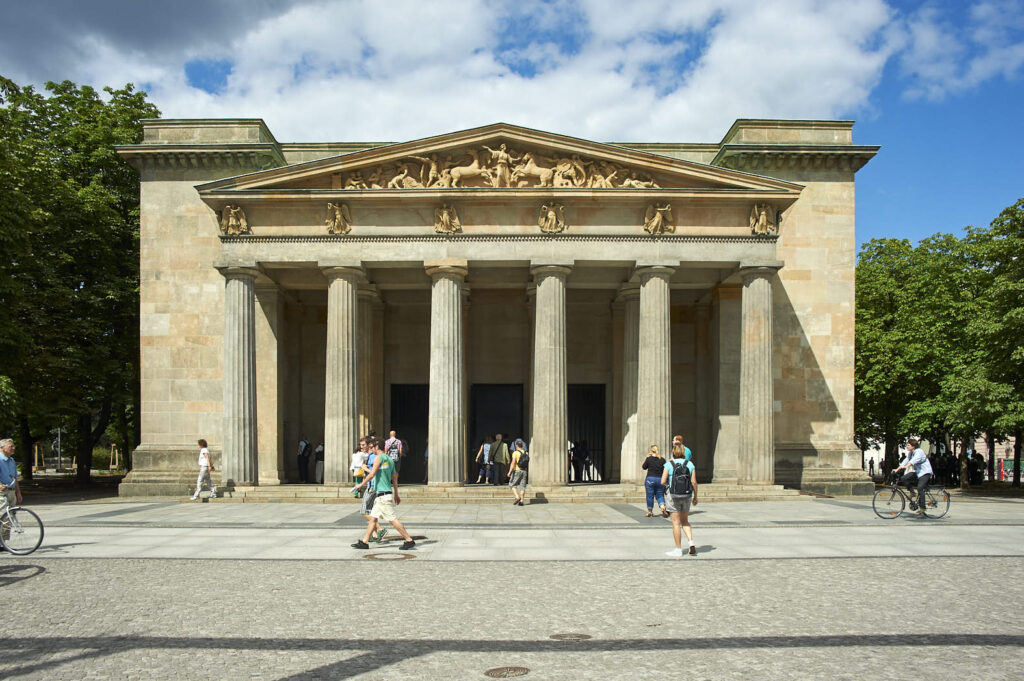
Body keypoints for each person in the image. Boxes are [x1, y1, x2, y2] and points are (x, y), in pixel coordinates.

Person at [351, 442, 415, 550]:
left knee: (393, 520)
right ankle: (364, 542)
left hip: (382, 495)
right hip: (384, 494)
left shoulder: (378, 458)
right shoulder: (389, 459)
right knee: (373, 519)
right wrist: (396, 494)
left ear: (377, 447)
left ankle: (409, 540)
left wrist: (360, 485)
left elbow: (372, 474)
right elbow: (394, 477)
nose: (371, 450)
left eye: (372, 447)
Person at [662, 443, 698, 556]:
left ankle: (678, 549)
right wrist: (695, 497)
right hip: (687, 495)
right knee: (685, 521)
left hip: (673, 495)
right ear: (683, 452)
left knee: (676, 523)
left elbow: (662, 481)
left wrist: (668, 485)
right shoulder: (690, 464)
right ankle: (691, 542)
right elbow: (694, 482)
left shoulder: (669, 464)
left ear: (673, 452)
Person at [894, 438, 933, 517]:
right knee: (904, 478)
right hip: (918, 472)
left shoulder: (919, 452)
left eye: (908, 445)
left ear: (913, 446)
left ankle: (922, 508)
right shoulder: (910, 453)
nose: (907, 446)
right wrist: (897, 469)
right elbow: (906, 460)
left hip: (925, 472)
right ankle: (912, 492)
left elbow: (913, 461)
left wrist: (906, 467)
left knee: (920, 488)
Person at [0, 439, 23, 547]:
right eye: (10, 446)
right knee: (2, 516)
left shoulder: (12, 460)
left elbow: (15, 478)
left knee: (8, 518)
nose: (13, 448)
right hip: (2, 492)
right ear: (2, 448)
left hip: (11, 492)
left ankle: (3, 542)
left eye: (13, 446)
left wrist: (18, 493)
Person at [641, 445, 667, 517]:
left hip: (650, 479)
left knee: (650, 495)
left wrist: (648, 457)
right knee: (660, 494)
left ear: (651, 451)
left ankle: (650, 511)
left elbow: (644, 467)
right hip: (660, 479)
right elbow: (665, 469)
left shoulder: (649, 459)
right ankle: (662, 506)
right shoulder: (662, 459)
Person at [508, 440, 529, 506]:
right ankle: (522, 501)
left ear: (516, 446)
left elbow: (513, 462)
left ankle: (517, 497)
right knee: (522, 486)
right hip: (524, 471)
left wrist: (509, 472)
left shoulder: (515, 453)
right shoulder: (526, 453)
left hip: (517, 470)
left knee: (512, 484)